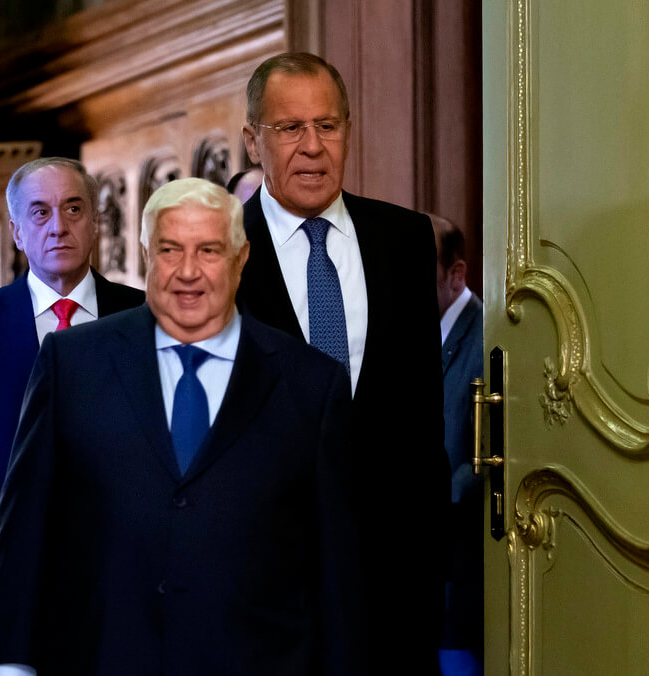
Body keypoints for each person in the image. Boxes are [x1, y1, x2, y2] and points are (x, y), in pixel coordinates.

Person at [0, 178, 362, 676]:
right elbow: (24, 536)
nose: (187, 272)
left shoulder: (312, 384)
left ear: (241, 260)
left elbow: (335, 574)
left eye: (208, 250)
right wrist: (6, 667)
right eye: (169, 249)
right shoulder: (70, 365)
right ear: (144, 254)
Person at [235, 52, 450, 673]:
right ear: (254, 141)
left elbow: (421, 415)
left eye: (327, 126)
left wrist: (430, 567)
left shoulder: (405, 240)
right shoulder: (222, 256)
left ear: (348, 133)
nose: (312, 147)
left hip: (395, 588)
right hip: (267, 589)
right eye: (289, 128)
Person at [0, 157, 144, 672]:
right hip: (8, 592)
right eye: (39, 214)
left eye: (73, 208)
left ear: (95, 223)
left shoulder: (144, 318)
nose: (58, 226)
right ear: (17, 232)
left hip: (125, 589)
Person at [431, 214, 484, 676]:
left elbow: (490, 454)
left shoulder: (489, 336)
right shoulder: (411, 332)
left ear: (456, 274)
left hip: (460, 562)